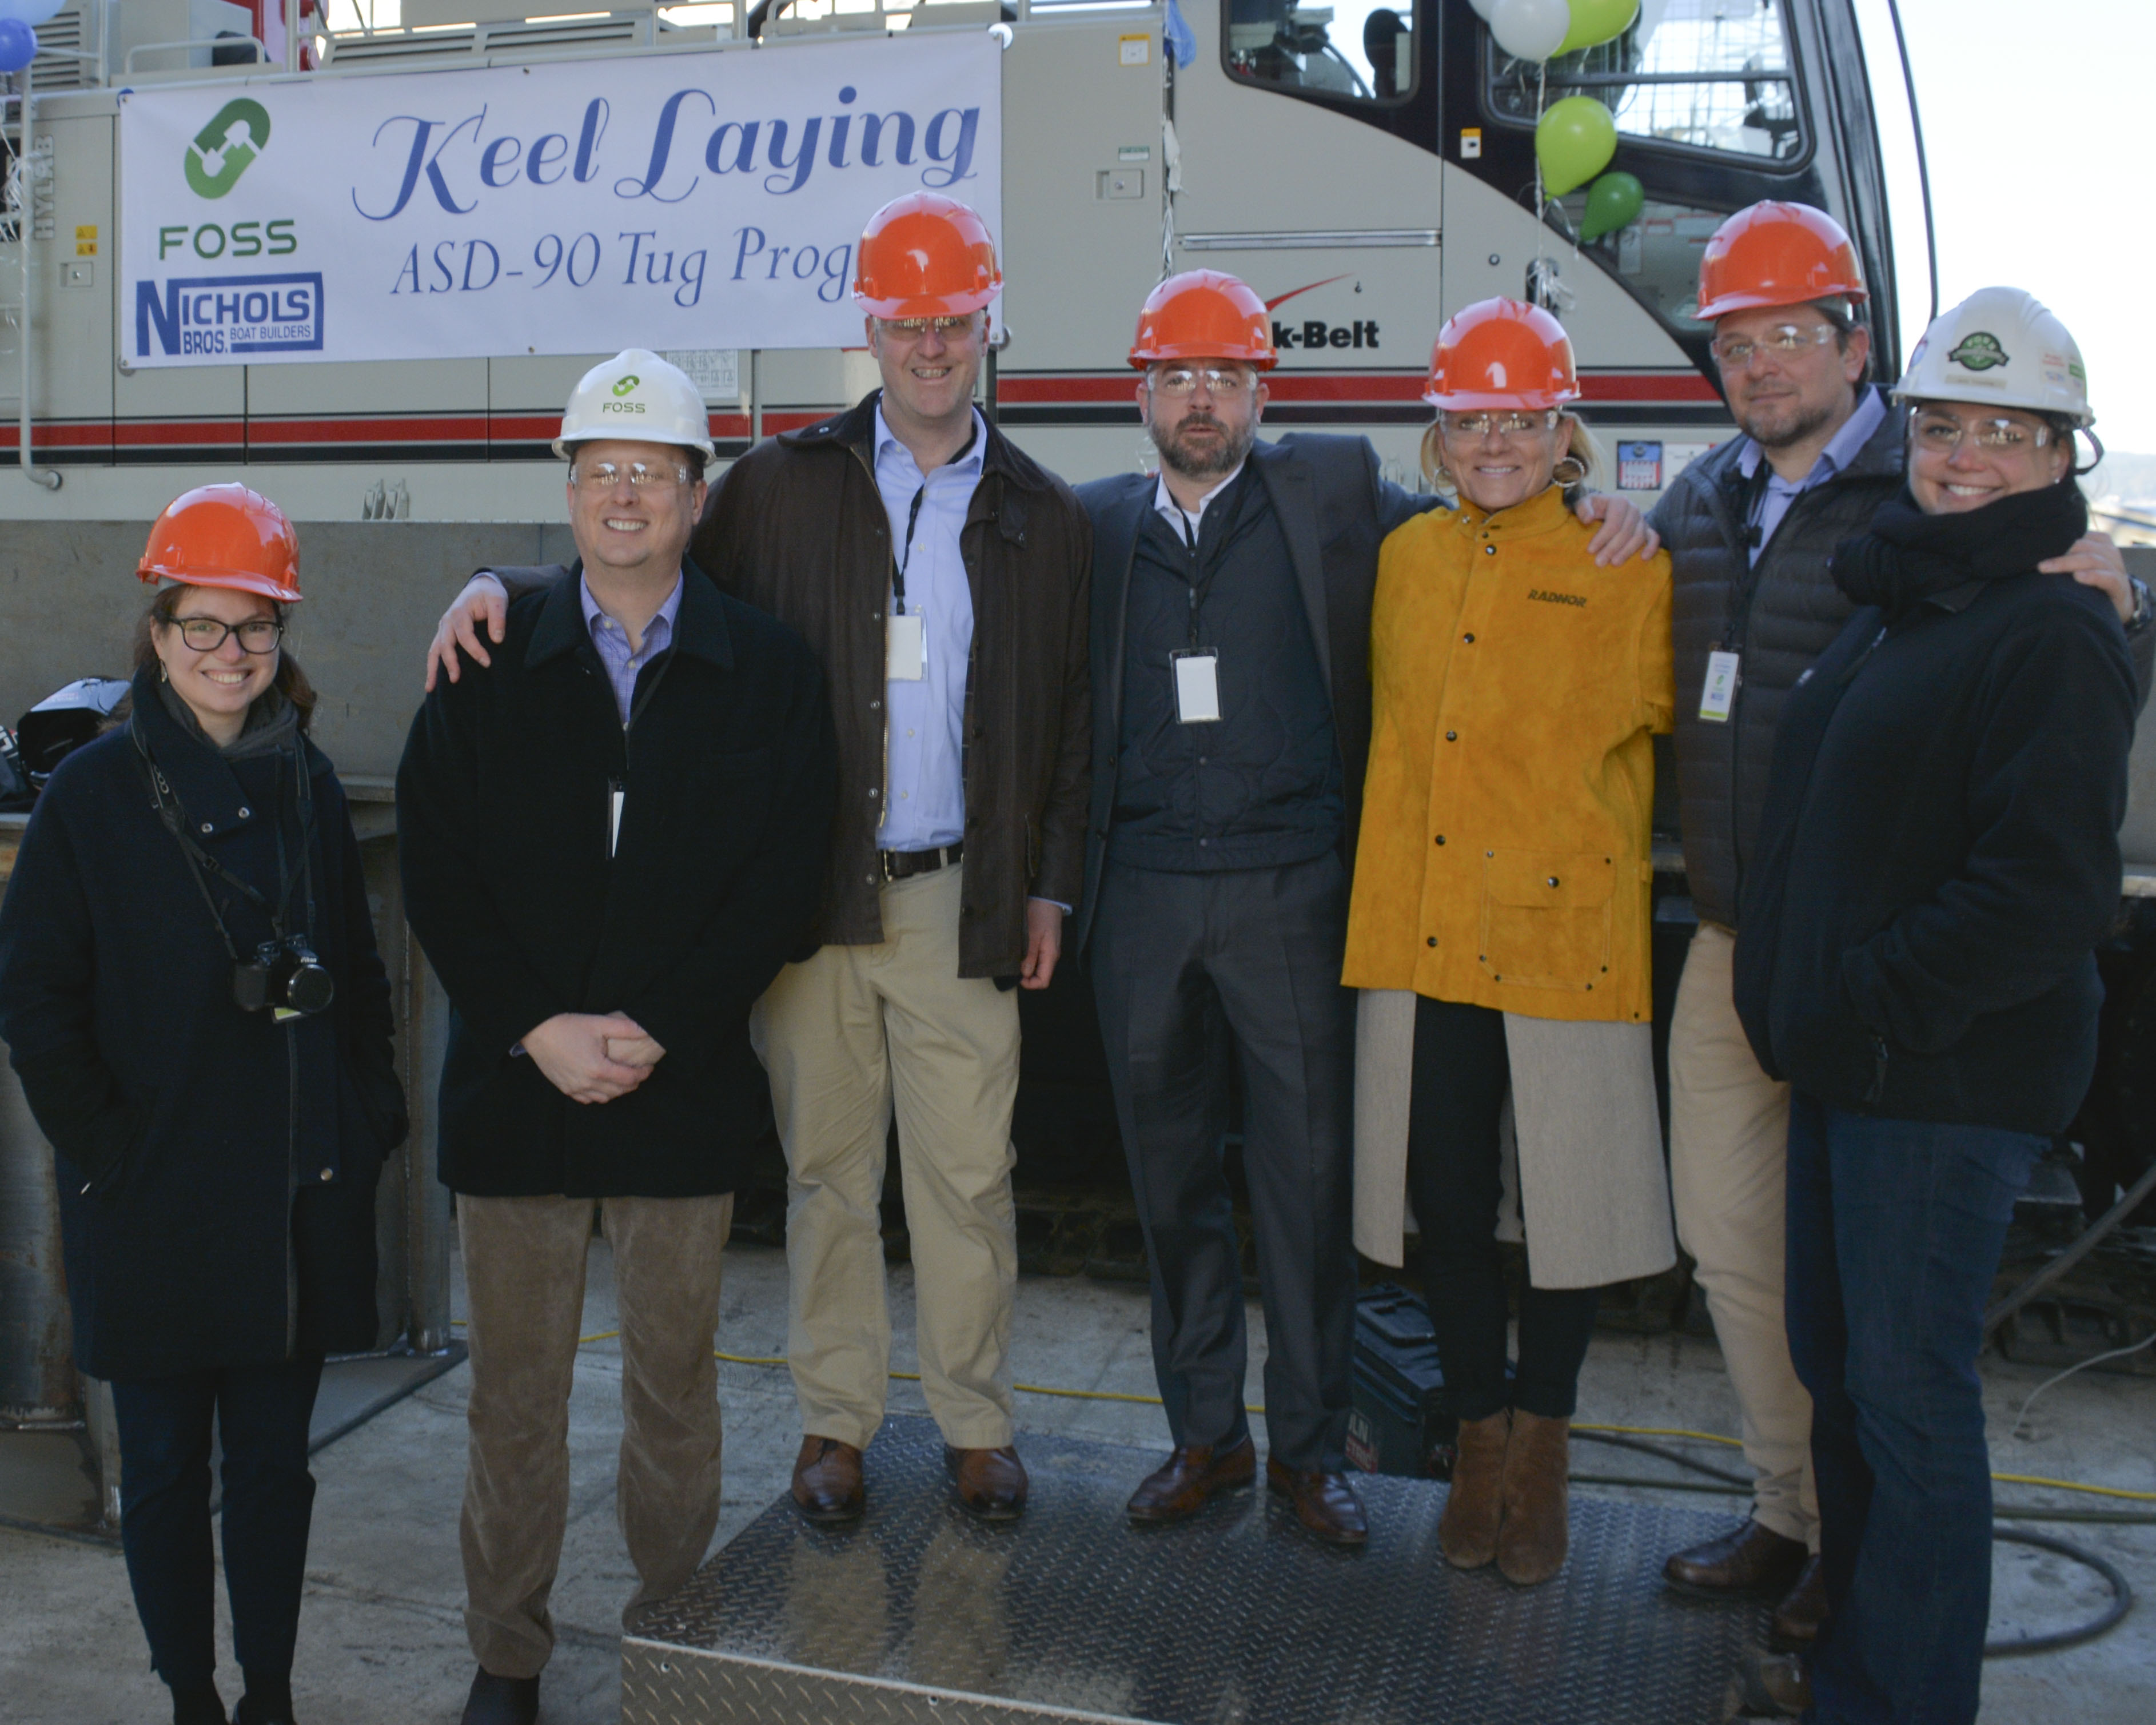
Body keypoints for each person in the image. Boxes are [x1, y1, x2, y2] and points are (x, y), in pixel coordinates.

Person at [423, 194, 1093, 1528]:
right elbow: (631, 560)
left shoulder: (1043, 513)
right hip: (810, 896)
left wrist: (1049, 879)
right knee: (824, 1173)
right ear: (871, 329)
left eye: (951, 322)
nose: (928, 346)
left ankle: (973, 1423)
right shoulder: (782, 485)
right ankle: (835, 1425)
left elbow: (1069, 716)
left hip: (960, 893)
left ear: (985, 323)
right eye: (904, 323)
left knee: (967, 1174)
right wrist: (490, 582)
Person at [1074, 274, 1656, 1546]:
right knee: (1168, 1189)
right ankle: (1202, 1441)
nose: (1200, 399)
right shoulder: (1090, 524)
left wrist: (1594, 502)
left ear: (1262, 392)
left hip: (1293, 895)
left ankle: (1307, 1450)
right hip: (1146, 899)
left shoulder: (1337, 494)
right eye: (1176, 377)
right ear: (1139, 394)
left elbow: (1495, 521)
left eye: (1225, 377)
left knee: (1307, 1190)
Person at [1648, 202, 2146, 1645]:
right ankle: (1794, 1522)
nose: (1759, 365)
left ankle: (1868, 1617)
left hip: (1889, 1020)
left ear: (1852, 344)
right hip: (1763, 960)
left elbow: (2047, 815)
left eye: (1788, 336)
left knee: (1894, 1368)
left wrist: (2133, 601)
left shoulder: (1934, 524)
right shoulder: (1714, 508)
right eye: (1733, 344)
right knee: (1759, 1280)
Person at [397, 350, 835, 1725]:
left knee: (673, 1396)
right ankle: (506, 1659)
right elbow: (436, 868)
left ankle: (671, 1634)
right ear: (568, 492)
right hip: (517, 1088)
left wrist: (655, 1026)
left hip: (676, 1083)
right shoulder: (483, 663)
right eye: (600, 472)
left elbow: (780, 877)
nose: (625, 495)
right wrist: (535, 1026)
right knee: (514, 1407)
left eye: (653, 471)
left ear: (700, 497)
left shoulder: (764, 671)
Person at [0, 486, 405, 1725]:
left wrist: (368, 1114)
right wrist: (111, 1153)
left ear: (281, 636)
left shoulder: (309, 783)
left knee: (274, 1473)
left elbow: (358, 971)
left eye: (254, 630)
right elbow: (35, 1005)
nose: (230, 656)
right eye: (202, 628)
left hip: (289, 1190)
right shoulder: (95, 797)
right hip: (150, 1193)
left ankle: (270, 1694)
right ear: (157, 632)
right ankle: (191, 1695)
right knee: (168, 1473)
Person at [1344, 298, 1677, 1585]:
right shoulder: (1405, 560)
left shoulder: (1622, 560)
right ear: (1436, 433)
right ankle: (1476, 1436)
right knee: (1443, 1207)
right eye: (1469, 418)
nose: (1494, 441)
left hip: (1560, 934)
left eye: (1519, 418)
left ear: (1560, 429)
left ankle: (1542, 1446)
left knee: (1566, 1213)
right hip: (1425, 934)